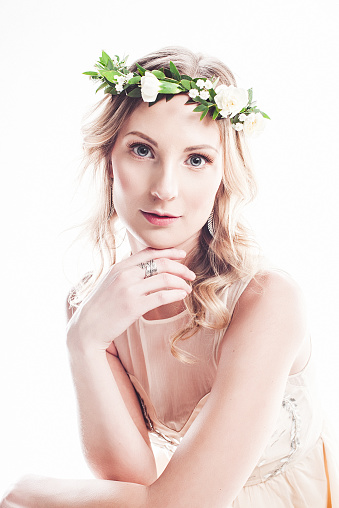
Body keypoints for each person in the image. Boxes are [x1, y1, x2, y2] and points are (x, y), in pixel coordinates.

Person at [1, 46, 338, 507]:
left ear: (223, 175)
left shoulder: (266, 300)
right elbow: (129, 476)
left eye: (196, 159)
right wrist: (84, 341)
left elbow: (174, 505)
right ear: (108, 160)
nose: (165, 189)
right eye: (143, 150)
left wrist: (22, 489)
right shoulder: (94, 304)